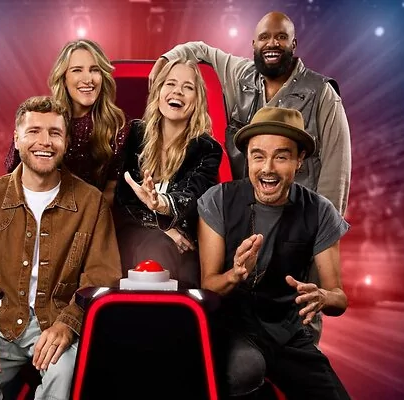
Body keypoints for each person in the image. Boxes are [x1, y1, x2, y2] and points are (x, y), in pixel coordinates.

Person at [150, 10, 351, 342]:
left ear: (294, 44)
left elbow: (336, 173)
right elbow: (200, 49)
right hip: (242, 216)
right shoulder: (240, 73)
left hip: (296, 220)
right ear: (253, 44)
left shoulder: (322, 93)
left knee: (299, 312)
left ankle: (299, 356)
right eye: (265, 38)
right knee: (236, 309)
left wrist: (319, 233)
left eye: (281, 37)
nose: (272, 44)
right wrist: (167, 59)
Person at [0, 96, 122, 400]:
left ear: (66, 141)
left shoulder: (91, 203)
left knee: (65, 375)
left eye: (54, 133)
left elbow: (102, 278)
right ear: (17, 138)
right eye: (34, 131)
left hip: (58, 322)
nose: (45, 142)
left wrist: (68, 325)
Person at [197, 107, 350, 399]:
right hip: (234, 329)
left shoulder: (320, 211)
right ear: (248, 158)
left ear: (299, 160)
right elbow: (209, 285)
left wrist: (322, 297)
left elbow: (339, 298)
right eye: (258, 156)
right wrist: (235, 274)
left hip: (288, 334)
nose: (267, 168)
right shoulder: (217, 200)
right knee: (243, 370)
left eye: (281, 157)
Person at [113, 58, 223, 289]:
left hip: (182, 240)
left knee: (187, 270)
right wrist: (162, 227)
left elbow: (193, 196)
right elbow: (123, 201)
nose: (178, 92)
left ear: (197, 99)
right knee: (158, 246)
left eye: (188, 87)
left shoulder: (207, 148)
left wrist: (162, 205)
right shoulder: (135, 134)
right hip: (133, 231)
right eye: (170, 83)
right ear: (158, 91)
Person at [5, 39, 129, 205]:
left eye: (95, 70)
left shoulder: (118, 125)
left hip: (93, 212)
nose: (88, 79)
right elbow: (13, 173)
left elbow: (112, 191)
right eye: (77, 70)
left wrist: (80, 216)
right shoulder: (42, 116)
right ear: (63, 78)